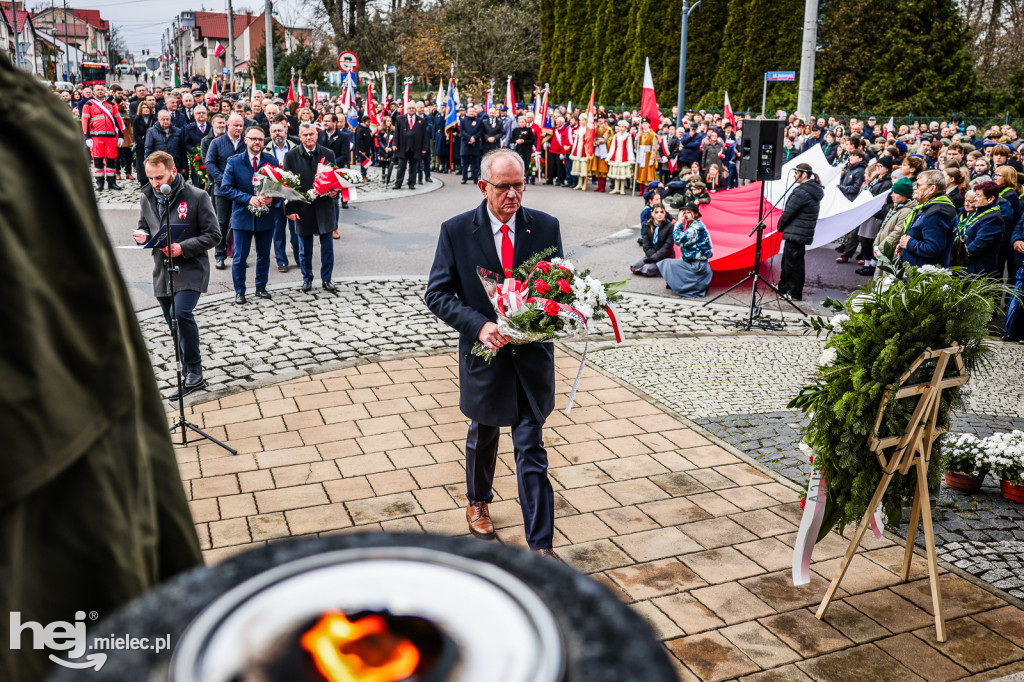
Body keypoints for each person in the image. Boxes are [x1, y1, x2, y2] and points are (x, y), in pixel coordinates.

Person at [0, 60, 201, 682]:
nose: (156, 177)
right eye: (151, 172)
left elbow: (208, 234)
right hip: (57, 498)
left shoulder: (194, 195)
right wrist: (148, 238)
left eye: (160, 170)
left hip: (179, 286)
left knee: (184, 326)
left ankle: (192, 367)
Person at [424, 148, 562, 559]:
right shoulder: (456, 231)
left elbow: (556, 286)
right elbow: (437, 293)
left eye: (520, 185)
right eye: (504, 187)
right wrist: (479, 325)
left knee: (530, 447)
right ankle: (478, 498)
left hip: (530, 360)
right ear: (484, 187)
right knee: (483, 435)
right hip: (484, 357)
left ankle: (541, 546)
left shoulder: (546, 227)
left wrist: (555, 314)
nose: (514, 195)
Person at [133, 149, 220, 396]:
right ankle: (187, 371)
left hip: (191, 267)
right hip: (162, 270)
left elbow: (214, 235)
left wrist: (183, 247)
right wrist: (142, 236)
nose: (154, 183)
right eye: (150, 178)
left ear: (173, 171)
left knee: (180, 313)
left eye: (158, 178)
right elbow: (145, 227)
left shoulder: (197, 196)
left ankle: (194, 370)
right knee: (172, 322)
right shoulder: (146, 196)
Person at [220, 126, 282, 304]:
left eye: (260, 139)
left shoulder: (272, 162)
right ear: (245, 140)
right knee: (240, 257)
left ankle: (261, 287)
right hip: (242, 216)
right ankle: (240, 291)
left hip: (266, 217)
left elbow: (279, 189)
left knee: (264, 255)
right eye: (253, 139)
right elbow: (226, 188)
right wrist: (249, 199)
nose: (257, 142)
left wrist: (272, 198)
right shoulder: (234, 162)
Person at [285, 122, 339, 292]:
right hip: (302, 207)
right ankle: (307, 278)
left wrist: (334, 192)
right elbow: (286, 186)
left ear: (317, 135)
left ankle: (327, 279)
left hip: (324, 206)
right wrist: (290, 210)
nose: (308, 137)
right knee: (304, 248)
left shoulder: (328, 153)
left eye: (311, 134)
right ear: (299, 137)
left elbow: (335, 179)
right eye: (305, 135)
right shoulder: (291, 155)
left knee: (328, 247)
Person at [776, 163, 824, 301]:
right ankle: (784, 287)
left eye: (796, 173)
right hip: (798, 231)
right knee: (789, 261)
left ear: (804, 174)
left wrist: (780, 226)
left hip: (797, 232)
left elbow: (789, 212)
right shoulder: (810, 189)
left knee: (794, 264)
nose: (794, 176)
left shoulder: (803, 191)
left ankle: (794, 293)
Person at [206, 113, 246, 269]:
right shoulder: (217, 142)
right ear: (228, 125)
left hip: (242, 189)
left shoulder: (245, 142)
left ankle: (239, 254)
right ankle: (220, 255)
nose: (238, 128)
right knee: (222, 222)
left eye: (241, 125)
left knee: (240, 222)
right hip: (223, 189)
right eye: (235, 125)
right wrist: (223, 179)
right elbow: (210, 163)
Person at [897, 170, 958, 267]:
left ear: (932, 189)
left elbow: (933, 248)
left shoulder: (937, 213)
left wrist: (909, 244)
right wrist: (904, 245)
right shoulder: (929, 206)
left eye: (918, 185)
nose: (914, 187)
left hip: (925, 275)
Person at [862, 177, 916, 276]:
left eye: (895, 193)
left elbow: (897, 232)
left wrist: (881, 248)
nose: (892, 195)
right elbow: (883, 227)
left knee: (885, 280)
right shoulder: (897, 207)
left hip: (889, 252)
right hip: (884, 250)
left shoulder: (906, 211)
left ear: (903, 195)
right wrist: (876, 245)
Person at [658, 203, 714, 297]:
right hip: (694, 263)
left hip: (698, 266)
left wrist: (679, 222)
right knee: (671, 266)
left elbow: (678, 239)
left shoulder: (696, 228)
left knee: (666, 263)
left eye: (689, 212)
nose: (685, 215)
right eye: (685, 213)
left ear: (696, 214)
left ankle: (698, 285)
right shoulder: (694, 224)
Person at [81, 83, 125, 190]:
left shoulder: (111, 104)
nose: (100, 91)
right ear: (94, 92)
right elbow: (85, 122)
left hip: (111, 137)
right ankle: (99, 183)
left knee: (111, 161)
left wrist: (121, 136)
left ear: (105, 91)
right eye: (98, 90)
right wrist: (87, 137)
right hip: (96, 137)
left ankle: (112, 183)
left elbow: (118, 120)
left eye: (102, 89)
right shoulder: (88, 105)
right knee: (98, 160)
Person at [962, 181, 1005, 279]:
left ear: (990, 199)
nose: (975, 199)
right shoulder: (977, 212)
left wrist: (959, 256)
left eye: (978, 196)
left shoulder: (993, 218)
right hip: (968, 267)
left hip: (978, 271)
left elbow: (979, 244)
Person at [631, 204, 674, 276]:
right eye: (656, 212)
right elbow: (646, 245)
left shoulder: (670, 226)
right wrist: (652, 257)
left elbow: (667, 247)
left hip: (665, 257)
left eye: (661, 212)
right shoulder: (647, 225)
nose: (659, 214)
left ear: (665, 213)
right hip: (651, 255)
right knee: (634, 268)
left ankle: (663, 269)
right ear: (652, 214)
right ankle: (653, 265)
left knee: (646, 270)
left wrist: (654, 258)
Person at [394, 103, 428, 190]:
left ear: (416, 109)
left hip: (416, 147)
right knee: (401, 167)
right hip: (403, 147)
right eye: (410, 108)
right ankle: (398, 184)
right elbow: (396, 133)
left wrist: (424, 148)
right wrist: (395, 144)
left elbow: (425, 135)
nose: (411, 109)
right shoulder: (400, 119)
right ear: (407, 109)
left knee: (414, 167)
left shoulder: (421, 120)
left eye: (413, 108)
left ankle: (411, 183)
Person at [144, 110, 186, 177]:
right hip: (159, 163)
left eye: (167, 119)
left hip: (175, 163)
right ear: (158, 119)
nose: (166, 121)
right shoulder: (151, 131)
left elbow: (182, 150)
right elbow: (148, 149)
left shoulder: (178, 131)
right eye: (163, 119)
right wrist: (149, 164)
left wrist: (184, 166)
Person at [606, 120, 635, 195]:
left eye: (623, 127)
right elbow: (612, 147)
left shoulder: (628, 136)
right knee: (616, 173)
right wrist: (609, 157)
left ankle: (622, 188)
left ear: (625, 128)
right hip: (616, 155)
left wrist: (631, 159)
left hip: (624, 155)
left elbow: (629, 148)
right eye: (620, 127)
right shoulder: (615, 136)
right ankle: (616, 188)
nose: (621, 128)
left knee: (622, 174)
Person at [132, 101, 156, 187]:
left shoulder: (154, 119)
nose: (146, 109)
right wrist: (142, 143)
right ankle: (142, 179)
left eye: (147, 108)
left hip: (152, 144)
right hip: (141, 144)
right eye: (144, 108)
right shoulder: (137, 120)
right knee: (141, 162)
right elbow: (135, 134)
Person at [635, 117, 658, 196]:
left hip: (648, 155)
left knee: (647, 173)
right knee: (640, 172)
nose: (645, 125)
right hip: (641, 154)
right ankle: (640, 190)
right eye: (643, 124)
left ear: (649, 124)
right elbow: (636, 146)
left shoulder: (652, 134)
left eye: (646, 124)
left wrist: (652, 159)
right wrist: (636, 139)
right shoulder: (640, 133)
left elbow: (654, 148)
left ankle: (646, 190)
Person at [460, 106, 483, 184]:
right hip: (465, 144)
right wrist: (469, 138)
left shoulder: (479, 121)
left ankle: (475, 178)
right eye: (470, 111)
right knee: (464, 164)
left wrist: (474, 138)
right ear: (467, 112)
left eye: (473, 111)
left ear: (475, 112)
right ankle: (464, 178)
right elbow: (462, 131)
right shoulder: (463, 121)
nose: (471, 113)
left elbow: (480, 131)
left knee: (475, 163)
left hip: (475, 144)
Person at [376, 115, 396, 186]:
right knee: (383, 164)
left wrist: (390, 147)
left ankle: (389, 176)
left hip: (390, 150)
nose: (389, 122)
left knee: (389, 164)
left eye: (390, 121)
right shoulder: (381, 130)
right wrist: (384, 148)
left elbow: (394, 140)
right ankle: (383, 175)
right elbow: (379, 140)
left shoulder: (393, 130)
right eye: (387, 121)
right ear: (385, 122)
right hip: (383, 150)